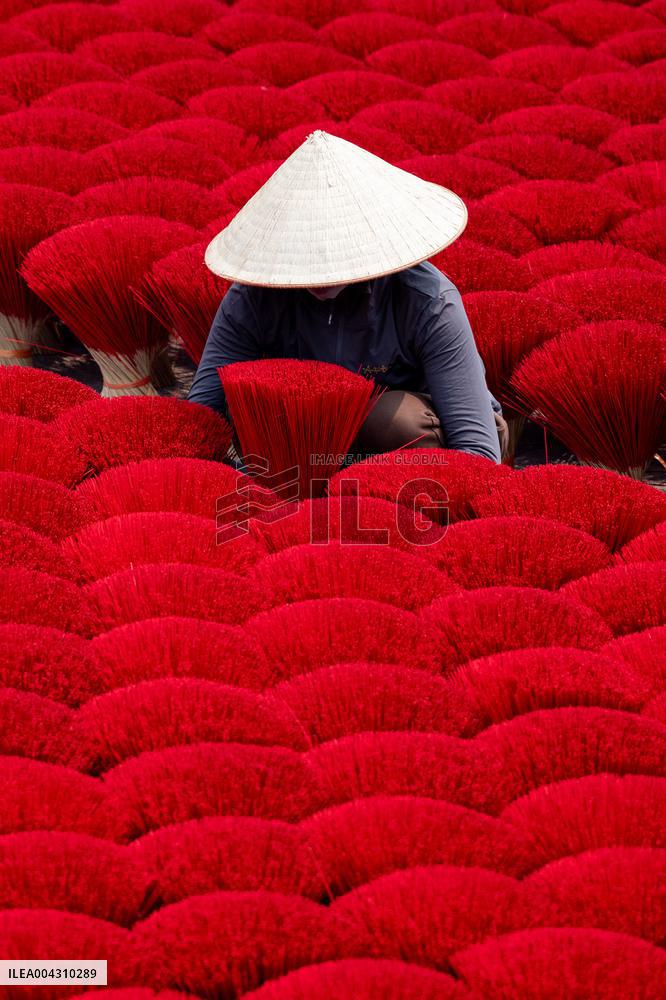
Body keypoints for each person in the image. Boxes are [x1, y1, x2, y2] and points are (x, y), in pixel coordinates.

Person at [189, 131, 508, 464]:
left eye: (331, 253)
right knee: (257, 409)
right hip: (306, 454)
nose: (320, 269)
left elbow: (477, 449)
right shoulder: (254, 299)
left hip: (415, 453)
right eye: (304, 252)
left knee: (390, 420)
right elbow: (202, 416)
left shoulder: (427, 302)